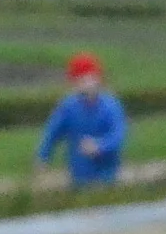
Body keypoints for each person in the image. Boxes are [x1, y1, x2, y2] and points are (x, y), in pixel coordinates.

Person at [38, 52, 128, 186]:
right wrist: (43, 156)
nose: (86, 84)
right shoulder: (68, 107)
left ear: (98, 79)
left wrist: (100, 146)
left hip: (107, 172)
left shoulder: (111, 106)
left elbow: (118, 134)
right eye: (80, 80)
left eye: (89, 78)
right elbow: (53, 132)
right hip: (78, 172)